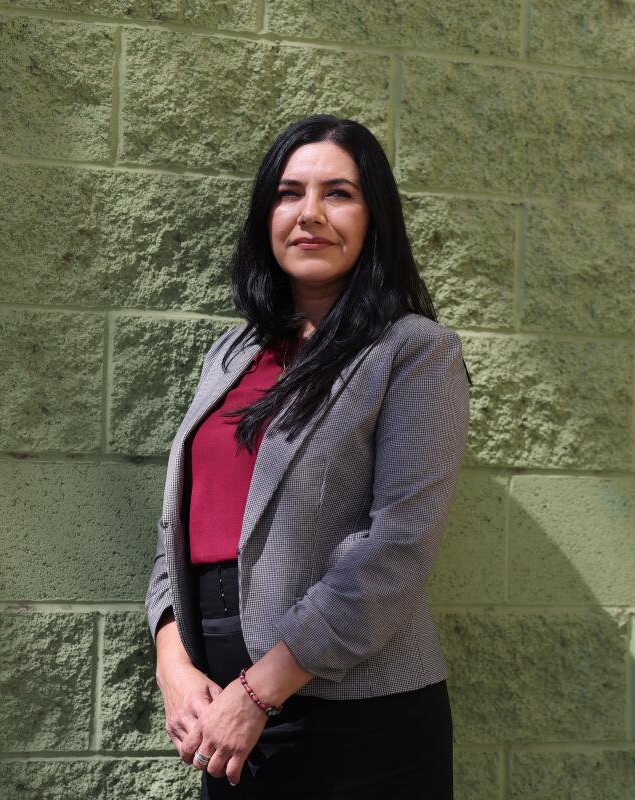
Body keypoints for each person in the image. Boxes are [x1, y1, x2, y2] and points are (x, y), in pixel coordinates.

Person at [144, 114, 473, 799]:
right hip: (221, 718)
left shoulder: (414, 351)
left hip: (354, 718)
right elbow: (179, 533)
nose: (310, 215)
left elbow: (397, 550)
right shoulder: (231, 355)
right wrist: (171, 665)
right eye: (289, 193)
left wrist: (257, 694)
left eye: (339, 194)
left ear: (374, 214)